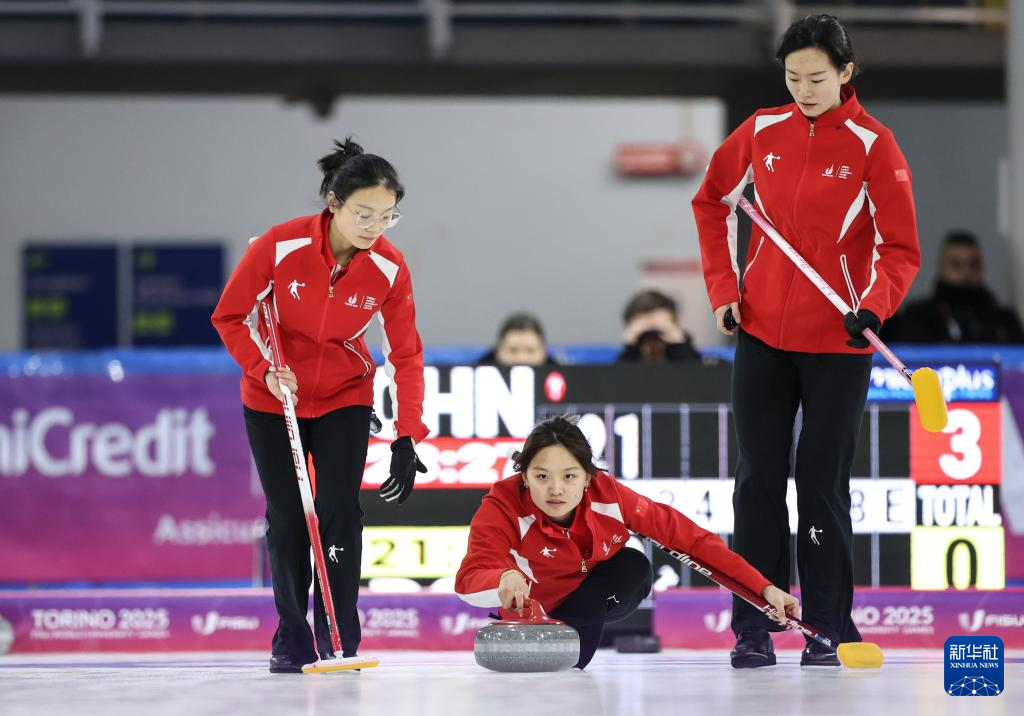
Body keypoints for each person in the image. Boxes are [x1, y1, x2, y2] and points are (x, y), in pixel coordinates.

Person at [691, 15, 920, 667]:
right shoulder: (762, 129)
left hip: (840, 341)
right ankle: (753, 626)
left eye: (817, 78)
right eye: (793, 78)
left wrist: (873, 307)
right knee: (757, 479)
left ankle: (826, 628)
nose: (804, 90)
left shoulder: (876, 145)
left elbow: (901, 250)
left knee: (820, 482)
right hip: (762, 333)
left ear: (846, 74)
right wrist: (723, 287)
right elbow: (710, 203)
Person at [212, 137, 430, 673]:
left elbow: (406, 351)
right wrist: (264, 370)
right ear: (333, 202)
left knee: (339, 514)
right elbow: (230, 316)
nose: (374, 226)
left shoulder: (389, 268)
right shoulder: (278, 246)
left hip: (344, 395)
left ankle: (339, 635)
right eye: (363, 213)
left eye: (387, 215)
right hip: (272, 397)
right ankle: (291, 635)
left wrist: (408, 432)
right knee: (287, 519)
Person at [454, 416, 799, 670]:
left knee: (633, 567)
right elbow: (469, 577)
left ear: (588, 477)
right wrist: (501, 578)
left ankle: (571, 654)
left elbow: (694, 542)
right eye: (541, 477)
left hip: (590, 601)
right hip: (532, 609)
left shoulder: (612, 497)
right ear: (524, 476)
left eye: (569, 476)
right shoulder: (501, 505)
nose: (555, 489)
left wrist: (765, 590)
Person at [883, 231, 1024, 343]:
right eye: (956, 264)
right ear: (941, 268)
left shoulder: (1003, 320)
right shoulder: (916, 317)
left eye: (973, 264)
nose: (966, 272)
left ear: (982, 268)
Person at [616, 289, 701, 363]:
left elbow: (699, 377)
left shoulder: (684, 354)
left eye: (659, 333)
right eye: (644, 335)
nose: (652, 342)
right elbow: (616, 380)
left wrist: (679, 345)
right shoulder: (628, 356)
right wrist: (630, 349)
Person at [478, 313, 559, 366]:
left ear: (543, 351)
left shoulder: (564, 379)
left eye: (530, 350)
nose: (521, 359)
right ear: (497, 351)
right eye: (513, 350)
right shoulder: (474, 378)